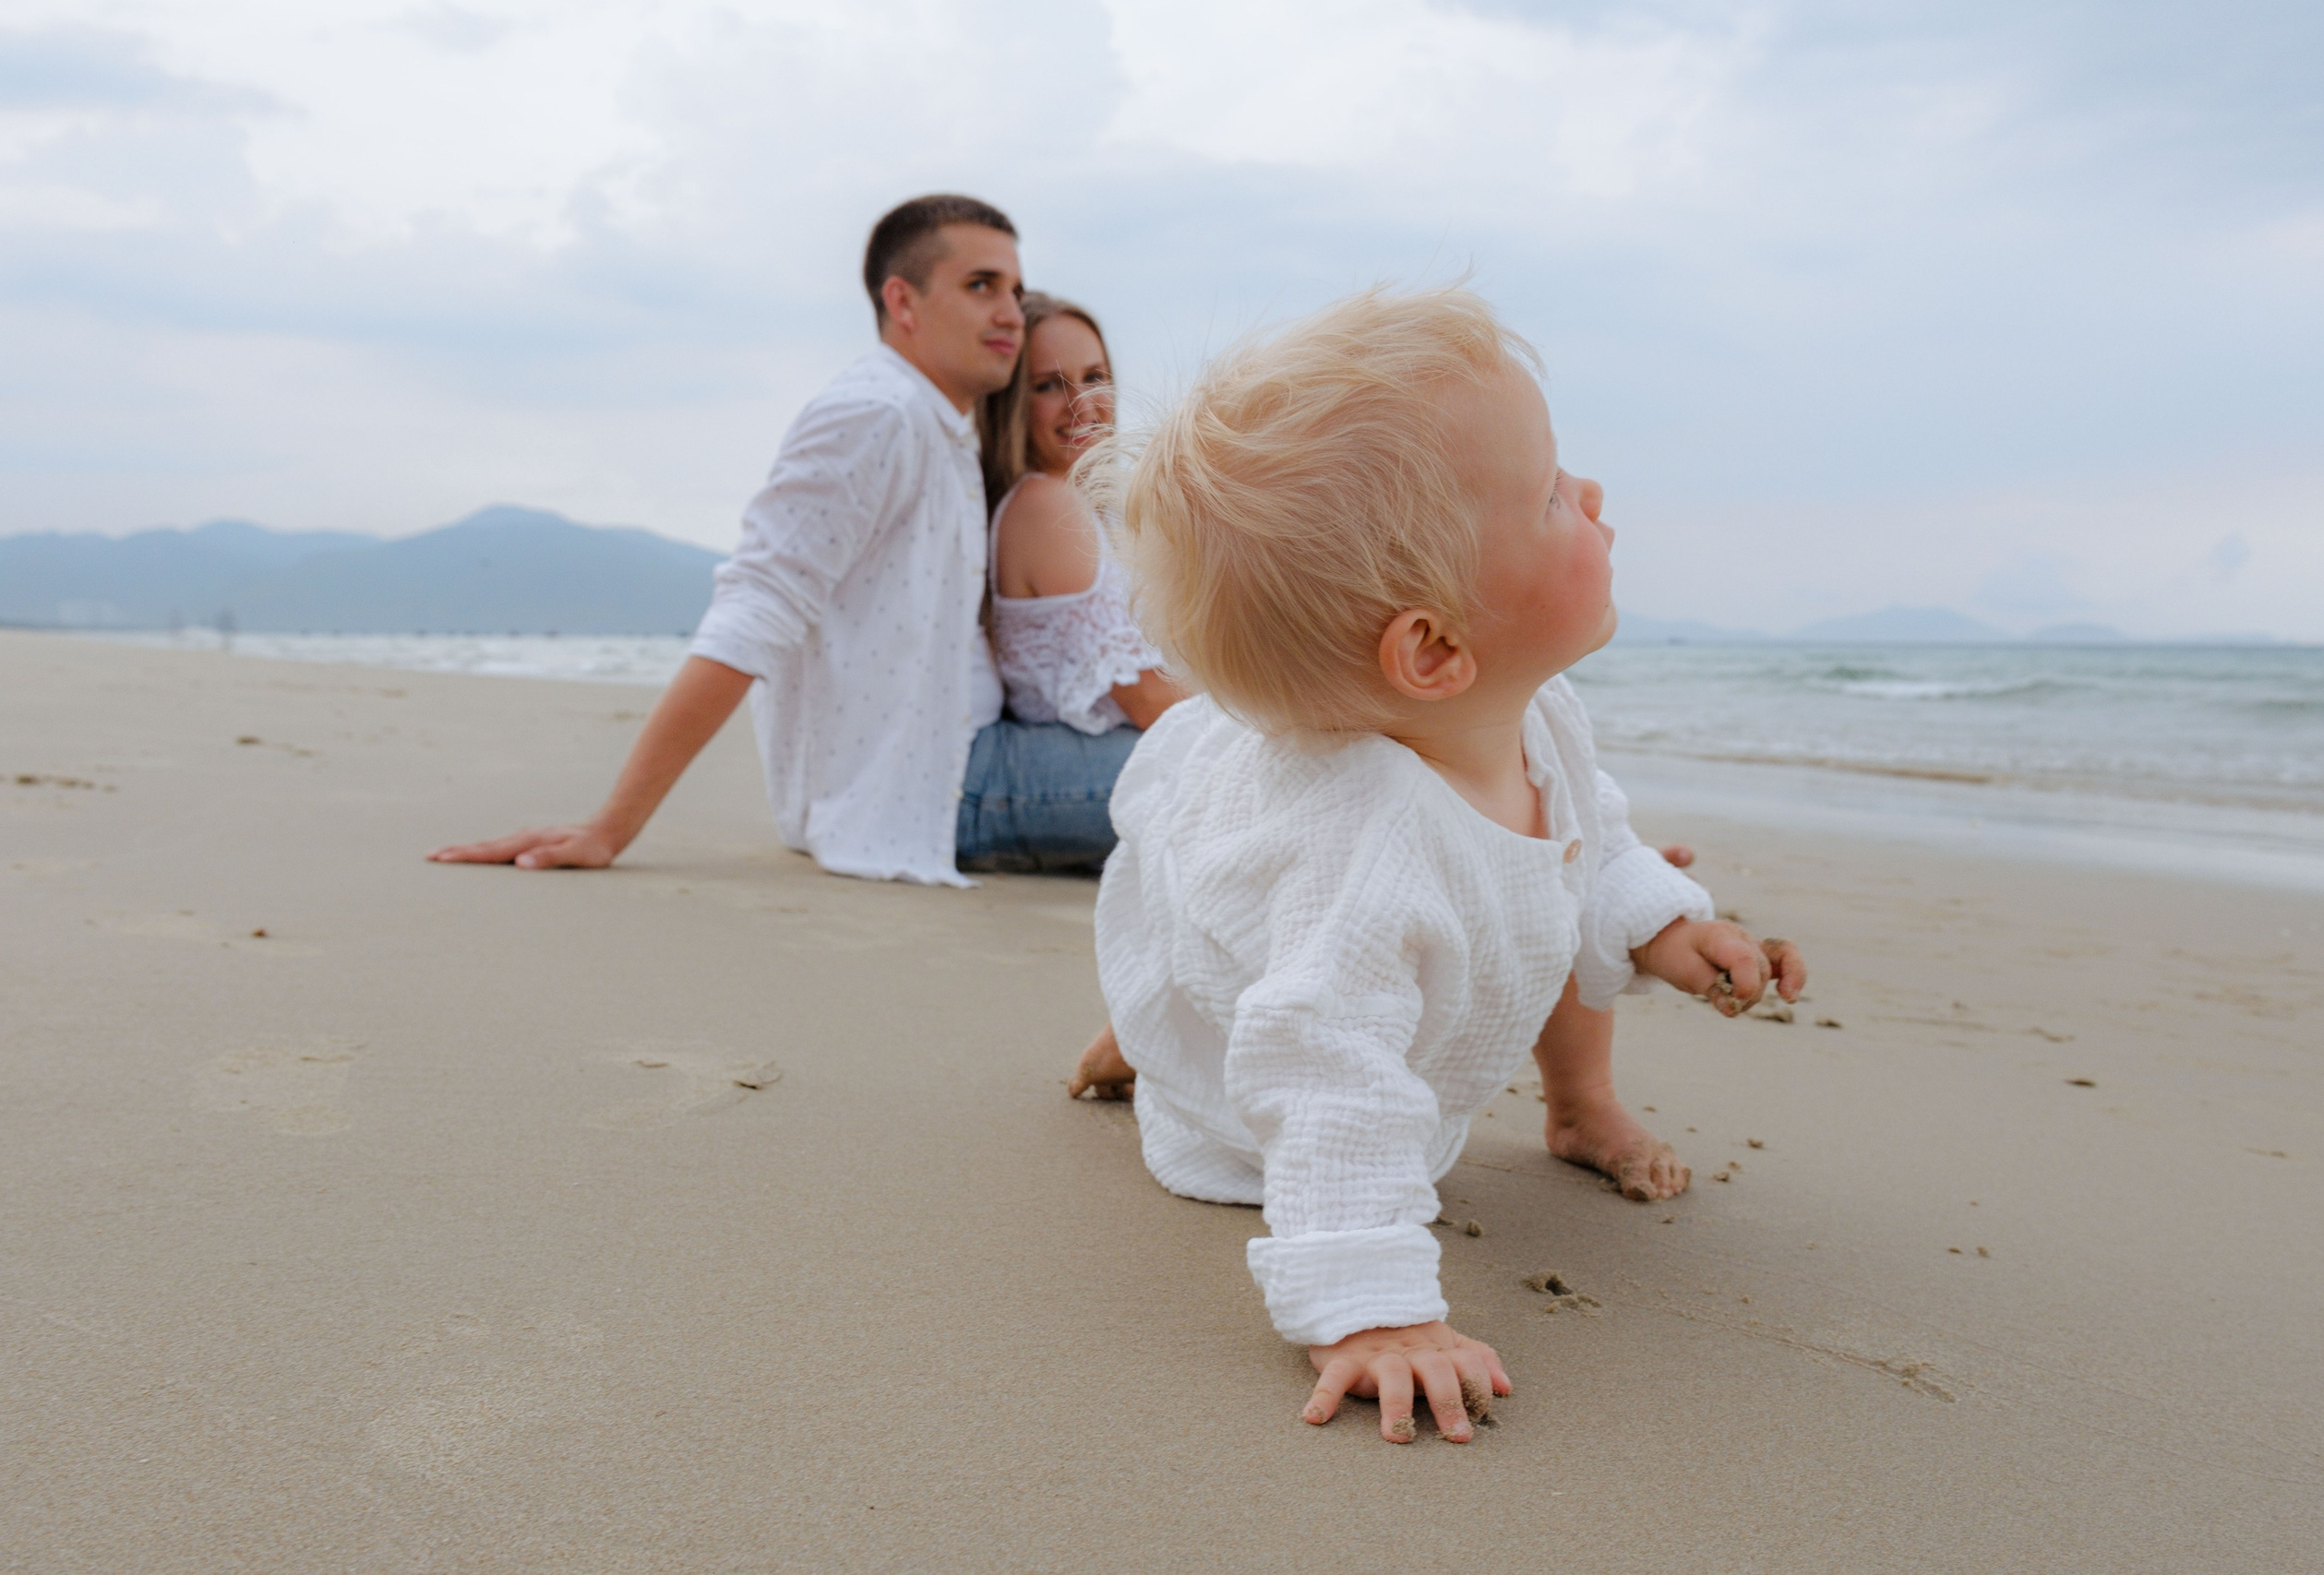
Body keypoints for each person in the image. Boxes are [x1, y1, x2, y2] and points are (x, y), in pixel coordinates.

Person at [1076, 286, 1806, 1445]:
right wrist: (1373, 1313)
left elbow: (1595, 831)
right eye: (1552, 499)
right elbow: (1325, 1073)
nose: (1595, 496)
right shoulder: (1361, 858)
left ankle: (1580, 1107)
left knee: (1550, 871)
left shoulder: (1538, 710)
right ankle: (1166, 1040)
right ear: (1432, 648)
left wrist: (1667, 927)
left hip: (1367, 948)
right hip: (1278, 1050)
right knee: (1264, 993)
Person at [428, 195, 1132, 882]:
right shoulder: (874, 414)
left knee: (1212, 760)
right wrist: (610, 826)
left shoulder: (939, 426)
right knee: (1211, 772)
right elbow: (754, 609)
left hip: (949, 765)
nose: (1010, 311)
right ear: (903, 302)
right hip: (938, 787)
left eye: (1015, 287)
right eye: (981, 286)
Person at [963, 293, 1184, 871]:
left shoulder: (1097, 505)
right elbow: (1149, 701)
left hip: (1111, 749)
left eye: (1095, 377)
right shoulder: (1044, 506)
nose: (1083, 403)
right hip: (1078, 756)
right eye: (1048, 385)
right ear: (1011, 404)